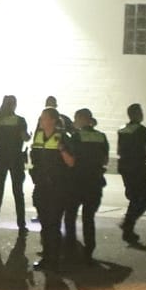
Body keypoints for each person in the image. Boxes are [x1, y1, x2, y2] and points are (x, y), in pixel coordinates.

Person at [29, 107, 75, 271]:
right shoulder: (39, 137)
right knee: (44, 223)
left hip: (58, 187)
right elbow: (33, 160)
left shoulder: (63, 137)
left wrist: (62, 149)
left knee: (53, 224)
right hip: (41, 186)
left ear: (53, 121)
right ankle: (47, 257)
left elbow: (71, 163)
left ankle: (54, 260)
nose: (41, 121)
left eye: (44, 118)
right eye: (40, 118)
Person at [62, 108, 110, 259]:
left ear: (81, 120)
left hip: (76, 182)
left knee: (70, 215)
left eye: (76, 120)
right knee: (88, 218)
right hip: (95, 182)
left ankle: (70, 248)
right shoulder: (101, 137)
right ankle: (89, 250)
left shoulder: (75, 137)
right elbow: (105, 160)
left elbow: (71, 160)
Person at [0, 95, 29, 234]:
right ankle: (21, 225)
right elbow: (25, 137)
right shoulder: (20, 120)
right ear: (14, 105)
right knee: (18, 192)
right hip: (16, 159)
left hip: (0, 158)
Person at [117, 104, 146, 241]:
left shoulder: (122, 130)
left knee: (134, 197)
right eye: (140, 112)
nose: (142, 114)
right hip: (137, 167)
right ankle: (128, 223)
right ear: (136, 114)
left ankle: (128, 230)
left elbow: (118, 150)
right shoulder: (142, 130)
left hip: (124, 167)